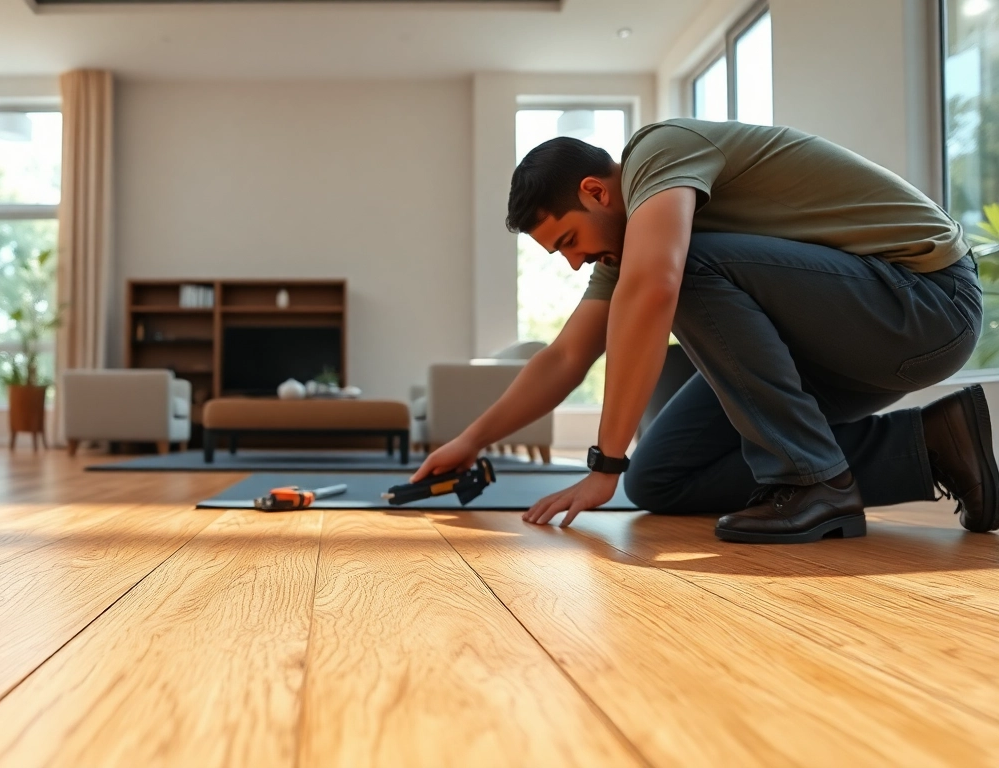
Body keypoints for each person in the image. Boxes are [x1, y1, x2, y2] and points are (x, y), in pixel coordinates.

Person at [411, 117, 999, 543]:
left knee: (679, 263)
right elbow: (566, 357)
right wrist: (471, 441)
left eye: (568, 240)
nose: (572, 262)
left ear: (596, 191)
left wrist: (603, 464)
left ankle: (812, 481)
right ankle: (932, 445)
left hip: (928, 303)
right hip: (848, 344)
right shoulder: (626, 246)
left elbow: (658, 284)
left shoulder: (659, 151)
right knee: (660, 478)